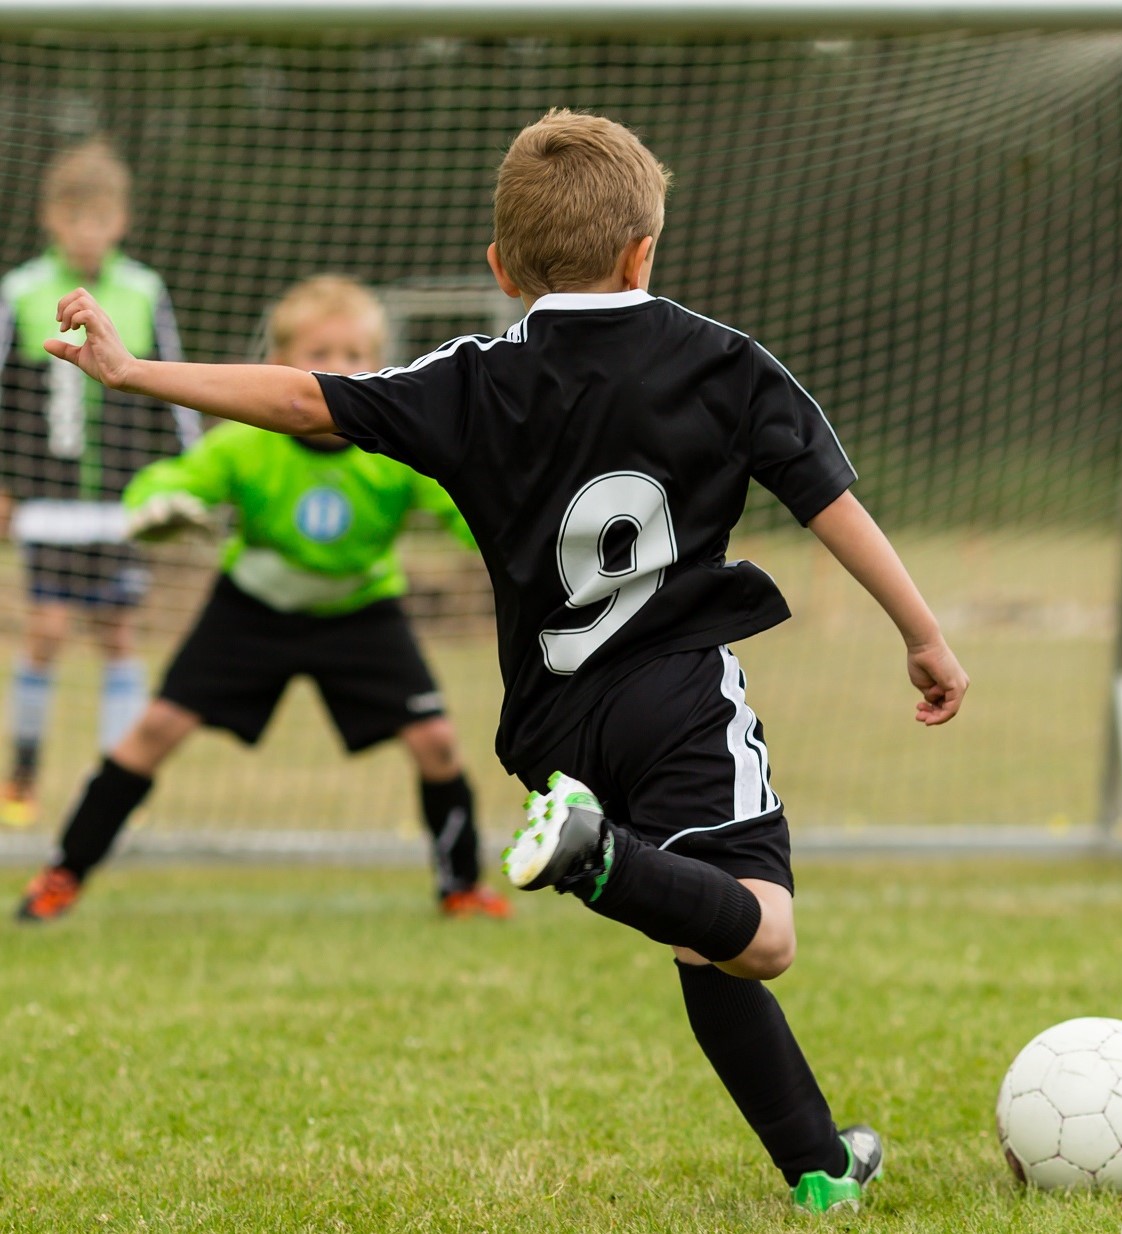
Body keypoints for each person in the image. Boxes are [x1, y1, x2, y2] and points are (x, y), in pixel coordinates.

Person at [41, 110, 968, 1215]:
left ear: (499, 267)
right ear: (644, 250)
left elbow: (301, 398)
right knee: (758, 932)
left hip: (550, 724)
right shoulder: (723, 363)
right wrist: (921, 632)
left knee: (697, 935)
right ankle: (595, 855)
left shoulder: (474, 377)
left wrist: (134, 370)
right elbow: (829, 505)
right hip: (673, 695)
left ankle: (819, 1165)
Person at [17, 275, 509, 924]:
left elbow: (469, 511)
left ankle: (461, 889)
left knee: (438, 742)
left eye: (355, 354)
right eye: (321, 353)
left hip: (359, 610)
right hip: (251, 608)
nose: (339, 369)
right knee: (154, 731)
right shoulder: (247, 440)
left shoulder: (397, 448)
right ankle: (62, 875)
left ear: (380, 362)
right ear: (280, 365)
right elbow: (165, 483)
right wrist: (157, 508)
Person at [0, 137, 199, 828]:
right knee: (47, 630)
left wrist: (184, 480)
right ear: (51, 218)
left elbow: (173, 389)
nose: (88, 231)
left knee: (118, 634)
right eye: (74, 217)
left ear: (121, 220)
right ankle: (21, 774)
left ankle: (115, 782)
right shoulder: (21, 291)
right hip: (45, 502)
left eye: (101, 217)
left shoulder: (142, 292)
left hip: (120, 503)